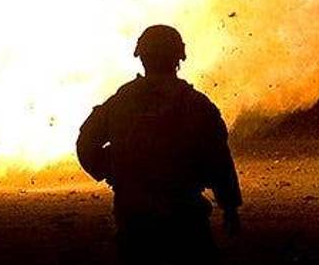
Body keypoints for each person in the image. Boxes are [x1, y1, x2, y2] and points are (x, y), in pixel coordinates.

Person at [77, 24, 242, 264]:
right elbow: (218, 159)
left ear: (142, 57)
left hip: (133, 215)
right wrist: (229, 208)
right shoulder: (196, 104)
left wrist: (112, 170)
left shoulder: (121, 102)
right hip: (184, 215)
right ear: (179, 57)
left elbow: (86, 142)